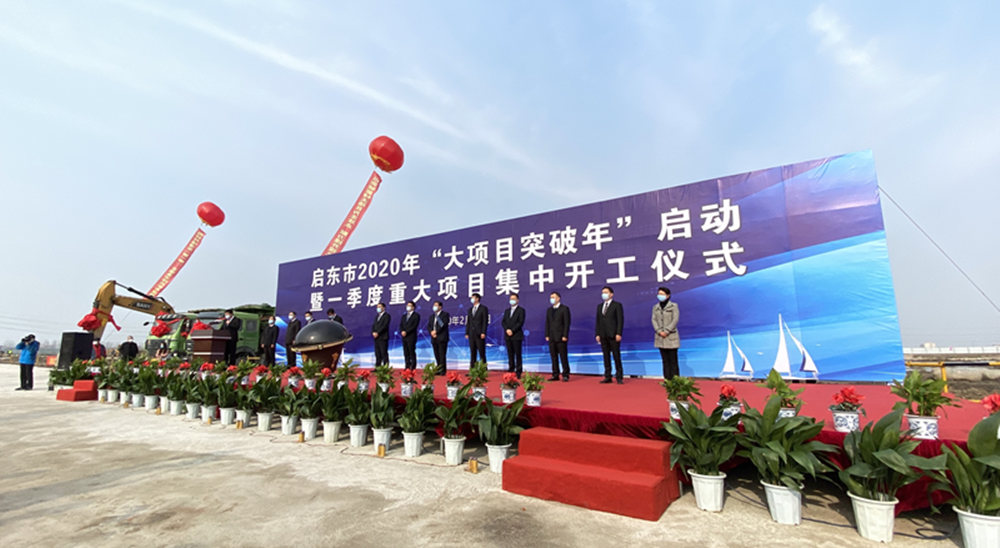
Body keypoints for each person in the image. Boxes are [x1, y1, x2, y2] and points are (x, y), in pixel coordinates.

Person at [595, 286, 625, 384]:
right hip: (603, 335)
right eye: (603, 292)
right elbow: (598, 321)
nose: (604, 294)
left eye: (606, 292)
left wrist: (618, 333)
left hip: (613, 335)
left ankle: (619, 376)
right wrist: (597, 333)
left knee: (616, 356)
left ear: (611, 294)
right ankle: (608, 376)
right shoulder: (600, 306)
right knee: (606, 356)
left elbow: (620, 320)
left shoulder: (617, 305)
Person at [652, 287, 681, 379]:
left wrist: (667, 330)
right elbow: (654, 320)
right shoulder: (655, 307)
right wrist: (659, 331)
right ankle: (667, 380)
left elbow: (675, 319)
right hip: (660, 337)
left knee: (673, 361)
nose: (659, 296)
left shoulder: (674, 306)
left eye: (662, 294)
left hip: (671, 336)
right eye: (659, 294)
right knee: (665, 361)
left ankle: (675, 381)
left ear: (668, 295)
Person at [545, 291, 571, 382]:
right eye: (551, 297)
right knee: (553, 357)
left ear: (558, 298)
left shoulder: (564, 309)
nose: (552, 299)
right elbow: (547, 323)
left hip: (561, 337)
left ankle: (565, 374)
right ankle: (555, 374)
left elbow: (567, 323)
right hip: (552, 337)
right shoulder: (549, 310)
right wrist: (547, 334)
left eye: (553, 297)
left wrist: (565, 335)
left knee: (563, 356)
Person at [502, 293, 525, 378]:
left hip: (516, 335)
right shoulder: (507, 311)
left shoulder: (521, 310)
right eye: (511, 299)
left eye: (514, 299)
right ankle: (511, 369)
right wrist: (507, 329)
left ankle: (518, 371)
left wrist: (512, 330)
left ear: (517, 300)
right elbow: (503, 322)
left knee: (518, 354)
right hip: (508, 335)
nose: (512, 300)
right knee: (510, 354)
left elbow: (520, 322)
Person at [465, 293, 488, 366]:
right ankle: (472, 368)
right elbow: (468, 322)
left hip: (479, 333)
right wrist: (467, 332)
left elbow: (485, 321)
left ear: (477, 299)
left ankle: (483, 368)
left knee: (481, 352)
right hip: (471, 334)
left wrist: (483, 332)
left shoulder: (483, 308)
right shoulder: (470, 309)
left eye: (473, 298)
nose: (471, 299)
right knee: (472, 352)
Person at [427, 301, 450, 374]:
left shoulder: (445, 314)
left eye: (436, 305)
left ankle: (442, 370)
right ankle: (438, 369)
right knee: (436, 354)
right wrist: (431, 332)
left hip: (442, 337)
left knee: (442, 354)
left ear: (440, 307)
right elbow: (429, 326)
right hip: (434, 338)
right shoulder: (432, 316)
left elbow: (443, 325)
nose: (434, 306)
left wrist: (436, 331)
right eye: (434, 305)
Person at [399, 301, 420, 370]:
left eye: (410, 305)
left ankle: (413, 366)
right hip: (404, 337)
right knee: (406, 352)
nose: (408, 307)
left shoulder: (416, 315)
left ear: (413, 307)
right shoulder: (404, 316)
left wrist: (406, 331)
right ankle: (407, 366)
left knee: (411, 351)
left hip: (411, 336)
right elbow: (401, 325)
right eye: (407, 305)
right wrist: (402, 331)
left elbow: (414, 326)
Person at [371, 303, 390, 367]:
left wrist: (378, 332)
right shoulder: (377, 316)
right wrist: (373, 332)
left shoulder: (387, 316)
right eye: (377, 307)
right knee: (377, 353)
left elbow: (384, 326)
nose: (378, 308)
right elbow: (374, 325)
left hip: (383, 337)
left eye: (380, 307)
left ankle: (385, 367)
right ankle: (378, 367)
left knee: (383, 353)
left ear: (383, 308)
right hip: (376, 338)